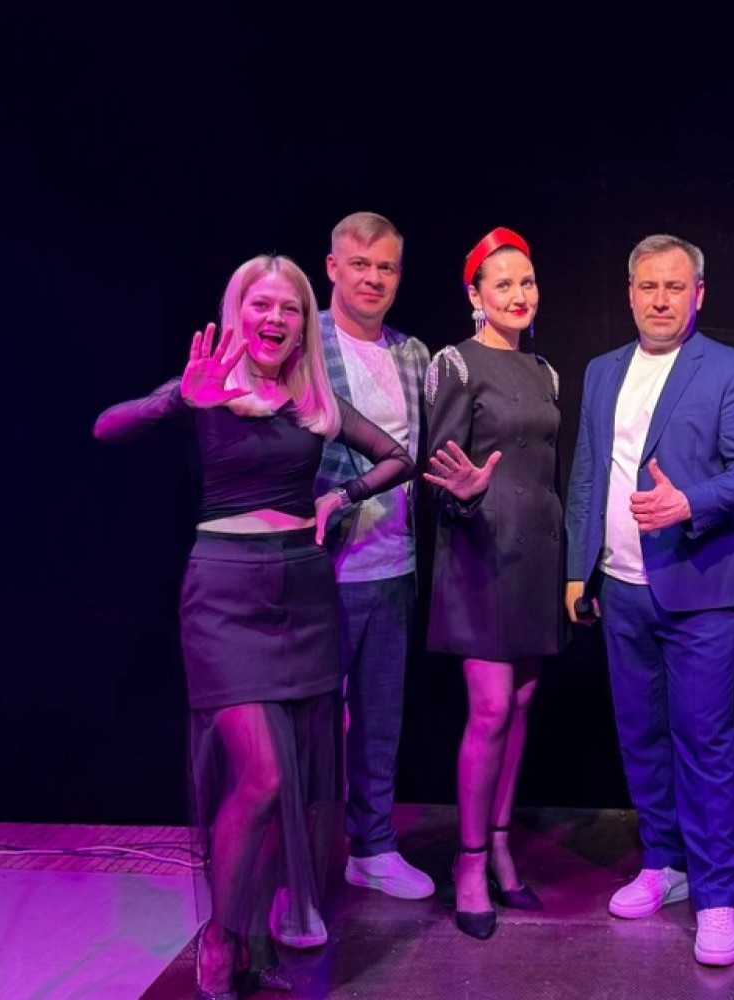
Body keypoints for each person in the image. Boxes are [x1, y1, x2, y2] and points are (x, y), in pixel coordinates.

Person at [93, 255, 414, 999]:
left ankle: (252, 934)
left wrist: (340, 498)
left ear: (304, 326)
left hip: (304, 593)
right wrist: (178, 400)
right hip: (226, 597)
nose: (275, 318)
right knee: (263, 776)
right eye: (261, 304)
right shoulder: (207, 389)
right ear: (237, 313)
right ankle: (220, 935)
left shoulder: (313, 402)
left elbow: (398, 457)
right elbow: (106, 427)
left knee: (290, 786)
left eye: (290, 308)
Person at [564, 233, 734, 967]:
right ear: (630, 293)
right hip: (620, 588)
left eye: (674, 287)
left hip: (699, 591)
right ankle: (664, 862)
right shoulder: (601, 371)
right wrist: (578, 568)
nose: (660, 300)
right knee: (641, 737)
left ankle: (716, 896)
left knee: (704, 744)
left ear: (698, 294)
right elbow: (587, 471)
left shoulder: (733, 369)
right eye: (648, 286)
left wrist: (689, 503)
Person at [424, 227, 564, 939]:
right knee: (489, 708)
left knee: (523, 703)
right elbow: (440, 471)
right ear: (475, 295)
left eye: (526, 282)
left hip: (536, 552)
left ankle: (503, 845)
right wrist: (464, 495)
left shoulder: (545, 370)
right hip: (480, 549)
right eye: (502, 283)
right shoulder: (455, 363)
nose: (518, 294)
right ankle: (470, 861)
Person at [306, 212, 434, 931]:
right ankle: (301, 867)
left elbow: (421, 449)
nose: (373, 278)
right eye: (359, 264)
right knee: (311, 727)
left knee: (380, 719)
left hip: (394, 564)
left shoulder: (412, 353)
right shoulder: (306, 344)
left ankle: (373, 848)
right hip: (319, 566)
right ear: (332, 268)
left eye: (385, 267)